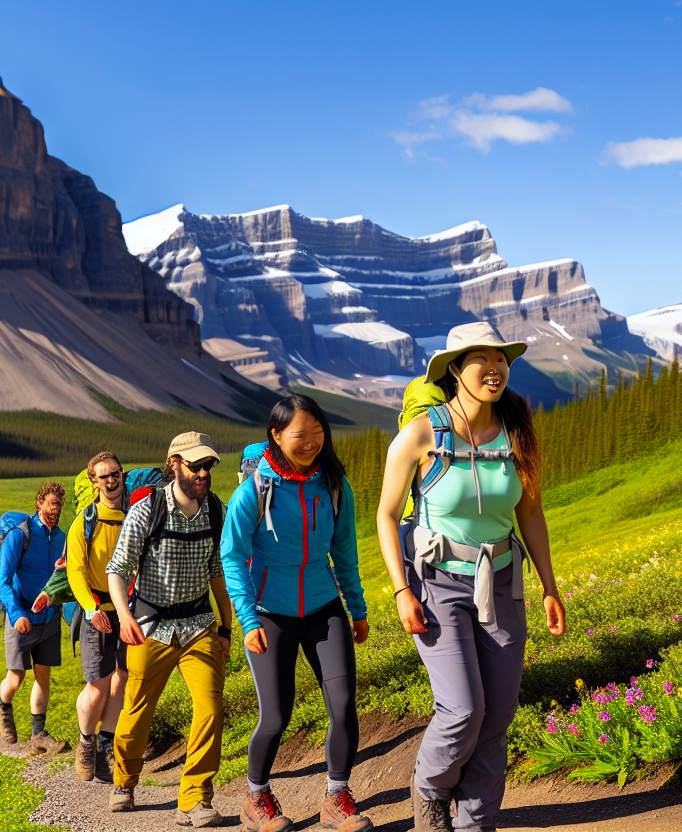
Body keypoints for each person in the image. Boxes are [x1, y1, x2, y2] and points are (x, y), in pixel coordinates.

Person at [375, 322, 566, 832]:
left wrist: (550, 587)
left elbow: (531, 514)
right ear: (456, 369)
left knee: (498, 713)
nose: (496, 368)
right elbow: (387, 515)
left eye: (502, 359)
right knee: (463, 708)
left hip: (503, 581)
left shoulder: (517, 429)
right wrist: (400, 591)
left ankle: (475, 822)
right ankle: (431, 787)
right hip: (436, 582)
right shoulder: (422, 433)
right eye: (482, 359)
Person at [222, 394, 372, 832]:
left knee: (343, 706)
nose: (311, 442)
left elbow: (344, 550)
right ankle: (256, 796)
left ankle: (337, 797)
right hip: (270, 613)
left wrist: (356, 608)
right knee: (276, 716)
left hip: (324, 608)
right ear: (276, 435)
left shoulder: (333, 483)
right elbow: (232, 556)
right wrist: (249, 620)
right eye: (299, 435)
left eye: (317, 432)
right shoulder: (254, 489)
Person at [105, 431, 235, 828]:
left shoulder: (217, 510)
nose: (203, 473)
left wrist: (227, 628)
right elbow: (117, 569)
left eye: (208, 466)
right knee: (136, 712)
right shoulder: (148, 511)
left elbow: (218, 573)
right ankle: (124, 783)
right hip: (150, 625)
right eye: (195, 466)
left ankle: (194, 799)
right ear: (174, 464)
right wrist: (125, 617)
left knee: (211, 709)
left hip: (198, 625)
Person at [65, 451, 131, 782]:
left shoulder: (136, 514)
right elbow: (75, 571)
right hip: (98, 611)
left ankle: (105, 744)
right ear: (94, 481)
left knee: (123, 678)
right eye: (104, 476)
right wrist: (91, 610)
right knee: (98, 686)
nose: (111, 480)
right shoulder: (84, 522)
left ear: (122, 475)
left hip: (130, 609)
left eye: (115, 474)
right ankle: (86, 741)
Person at [0, 480, 69, 755]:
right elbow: (4, 582)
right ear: (39, 503)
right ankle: (4, 707)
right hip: (21, 616)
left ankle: (38, 735)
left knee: (43, 676)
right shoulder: (20, 535)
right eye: (51, 504)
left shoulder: (62, 538)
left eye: (59, 505)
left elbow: (64, 578)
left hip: (48, 619)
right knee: (15, 677)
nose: (55, 510)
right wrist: (15, 616)